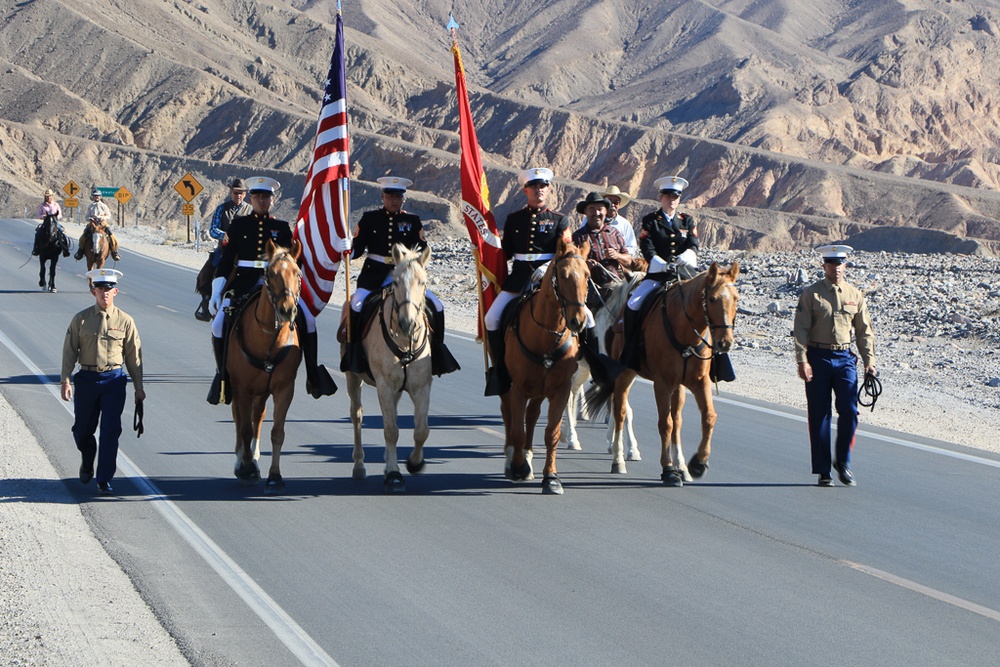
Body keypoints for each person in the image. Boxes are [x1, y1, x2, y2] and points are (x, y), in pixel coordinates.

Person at [483, 168, 620, 396]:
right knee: (491, 318)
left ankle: (597, 368)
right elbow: (505, 253)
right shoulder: (514, 219)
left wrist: (547, 269)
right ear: (526, 190)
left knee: (587, 317)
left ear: (548, 190)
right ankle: (500, 371)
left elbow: (566, 250)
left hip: (552, 278)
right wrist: (483, 254)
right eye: (535, 187)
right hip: (518, 279)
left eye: (543, 187)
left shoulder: (559, 220)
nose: (539, 191)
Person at [207, 176, 336, 404]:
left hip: (277, 285)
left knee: (309, 319)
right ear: (251, 198)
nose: (261, 201)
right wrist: (217, 291)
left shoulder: (281, 228)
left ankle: (313, 374)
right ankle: (222, 377)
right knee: (218, 324)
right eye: (257, 196)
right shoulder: (239, 225)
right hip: (244, 283)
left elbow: (295, 261)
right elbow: (227, 261)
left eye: (265, 197)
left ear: (272, 200)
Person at [341, 176, 460, 376]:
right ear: (382, 197)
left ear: (403, 199)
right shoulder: (369, 219)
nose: (394, 200)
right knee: (356, 305)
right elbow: (358, 250)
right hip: (373, 276)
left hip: (406, 277)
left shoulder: (412, 221)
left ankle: (438, 352)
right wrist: (347, 250)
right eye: (390, 196)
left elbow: (423, 250)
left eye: (398, 196)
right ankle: (354, 352)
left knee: (437, 306)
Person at [793, 244, 877, 487]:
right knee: (820, 414)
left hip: (844, 359)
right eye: (831, 264)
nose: (836, 268)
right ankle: (823, 471)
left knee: (850, 411)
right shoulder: (812, 294)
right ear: (824, 266)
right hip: (818, 358)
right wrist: (802, 360)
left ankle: (843, 462)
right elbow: (800, 329)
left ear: (845, 265)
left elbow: (864, 332)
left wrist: (869, 363)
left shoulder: (855, 294)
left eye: (840, 264)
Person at [61, 268, 144, 495]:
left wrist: (139, 388)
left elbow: (134, 357)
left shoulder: (126, 321)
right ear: (93, 292)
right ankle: (88, 459)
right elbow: (69, 352)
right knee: (81, 430)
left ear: (115, 291)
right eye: (99, 289)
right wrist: (66, 380)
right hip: (87, 380)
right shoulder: (81, 319)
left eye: (108, 289)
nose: (104, 294)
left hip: (113, 381)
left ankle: (104, 478)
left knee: (110, 430)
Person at [619, 175, 699, 371]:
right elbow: (646, 246)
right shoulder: (650, 221)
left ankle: (715, 357)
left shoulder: (687, 221)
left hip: (685, 274)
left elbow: (694, 244)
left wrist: (686, 256)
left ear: (679, 199)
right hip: (658, 275)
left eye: (675, 196)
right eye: (667, 195)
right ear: (660, 197)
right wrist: (660, 264)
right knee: (632, 305)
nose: (671, 200)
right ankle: (631, 351)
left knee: (709, 303)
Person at [195, 178, 251, 321]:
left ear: (245, 194)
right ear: (230, 192)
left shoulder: (250, 210)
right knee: (210, 268)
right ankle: (206, 302)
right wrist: (225, 235)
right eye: (235, 192)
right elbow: (213, 229)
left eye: (241, 193)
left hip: (245, 249)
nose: (238, 195)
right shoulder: (222, 208)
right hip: (225, 248)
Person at [571, 191, 642, 304]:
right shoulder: (578, 237)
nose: (597, 213)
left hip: (617, 288)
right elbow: (572, 267)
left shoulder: (615, 233)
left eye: (600, 209)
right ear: (585, 212)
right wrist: (585, 266)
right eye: (592, 209)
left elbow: (629, 261)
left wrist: (617, 255)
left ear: (605, 211)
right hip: (591, 289)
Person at [75, 188, 121, 262]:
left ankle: (114, 251)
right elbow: (87, 216)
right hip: (93, 224)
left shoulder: (104, 206)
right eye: (95, 196)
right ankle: (80, 251)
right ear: (93, 197)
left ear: (100, 197)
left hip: (102, 224)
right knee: (84, 235)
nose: (97, 197)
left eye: (98, 196)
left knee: (111, 235)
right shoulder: (91, 206)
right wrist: (91, 218)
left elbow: (108, 215)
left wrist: (103, 218)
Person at [597, 185, 638, 257]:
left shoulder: (625, 224)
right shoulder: (592, 220)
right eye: (609, 201)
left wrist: (618, 253)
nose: (612, 204)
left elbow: (632, 248)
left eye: (616, 202)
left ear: (619, 204)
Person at [33, 188, 68, 257]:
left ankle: (65, 250)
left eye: (50, 196)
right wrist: (44, 217)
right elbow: (39, 214)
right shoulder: (42, 205)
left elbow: (60, 214)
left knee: (62, 234)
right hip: (46, 223)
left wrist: (56, 217)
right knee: (38, 233)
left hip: (55, 222)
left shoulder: (56, 205)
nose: (49, 197)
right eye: (47, 196)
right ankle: (36, 249)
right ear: (45, 197)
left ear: (52, 196)